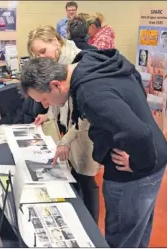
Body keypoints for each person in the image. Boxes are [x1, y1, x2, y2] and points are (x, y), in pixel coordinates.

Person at [20, 50, 167, 247]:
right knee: (138, 231)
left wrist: (139, 164)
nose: (45, 105)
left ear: (56, 85)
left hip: (134, 172)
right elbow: (134, 75)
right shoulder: (91, 61)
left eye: (44, 99)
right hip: (155, 157)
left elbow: (139, 134)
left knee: (122, 238)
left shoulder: (90, 94)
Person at [27, 25, 100, 222]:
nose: (42, 58)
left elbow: (84, 115)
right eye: (37, 55)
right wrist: (49, 115)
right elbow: (56, 96)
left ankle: (90, 226)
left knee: (86, 180)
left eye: (43, 51)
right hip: (70, 128)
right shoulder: (57, 62)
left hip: (84, 133)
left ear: (55, 40)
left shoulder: (78, 62)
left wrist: (65, 140)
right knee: (73, 176)